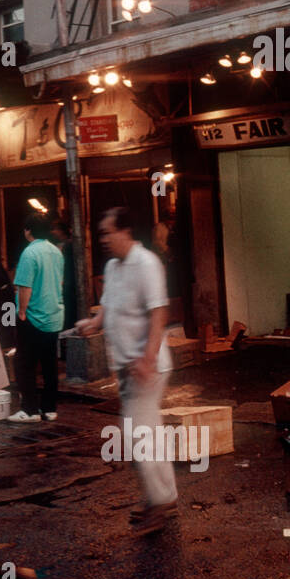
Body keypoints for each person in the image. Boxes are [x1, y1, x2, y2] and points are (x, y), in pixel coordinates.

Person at [77, 207, 176, 533]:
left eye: (107, 233)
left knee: (137, 434)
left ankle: (158, 503)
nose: (103, 239)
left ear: (125, 231)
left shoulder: (147, 263)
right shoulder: (113, 267)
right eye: (102, 233)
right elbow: (109, 305)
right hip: (125, 366)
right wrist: (93, 323)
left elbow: (159, 312)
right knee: (149, 433)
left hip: (145, 367)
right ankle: (165, 495)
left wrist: (147, 358)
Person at [9, 215, 65, 426]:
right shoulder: (56, 252)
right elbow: (59, 282)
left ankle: (29, 409)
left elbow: (24, 286)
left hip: (33, 315)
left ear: (28, 230)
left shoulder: (29, 252)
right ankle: (49, 409)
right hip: (54, 315)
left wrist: (21, 312)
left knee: (24, 363)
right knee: (50, 364)